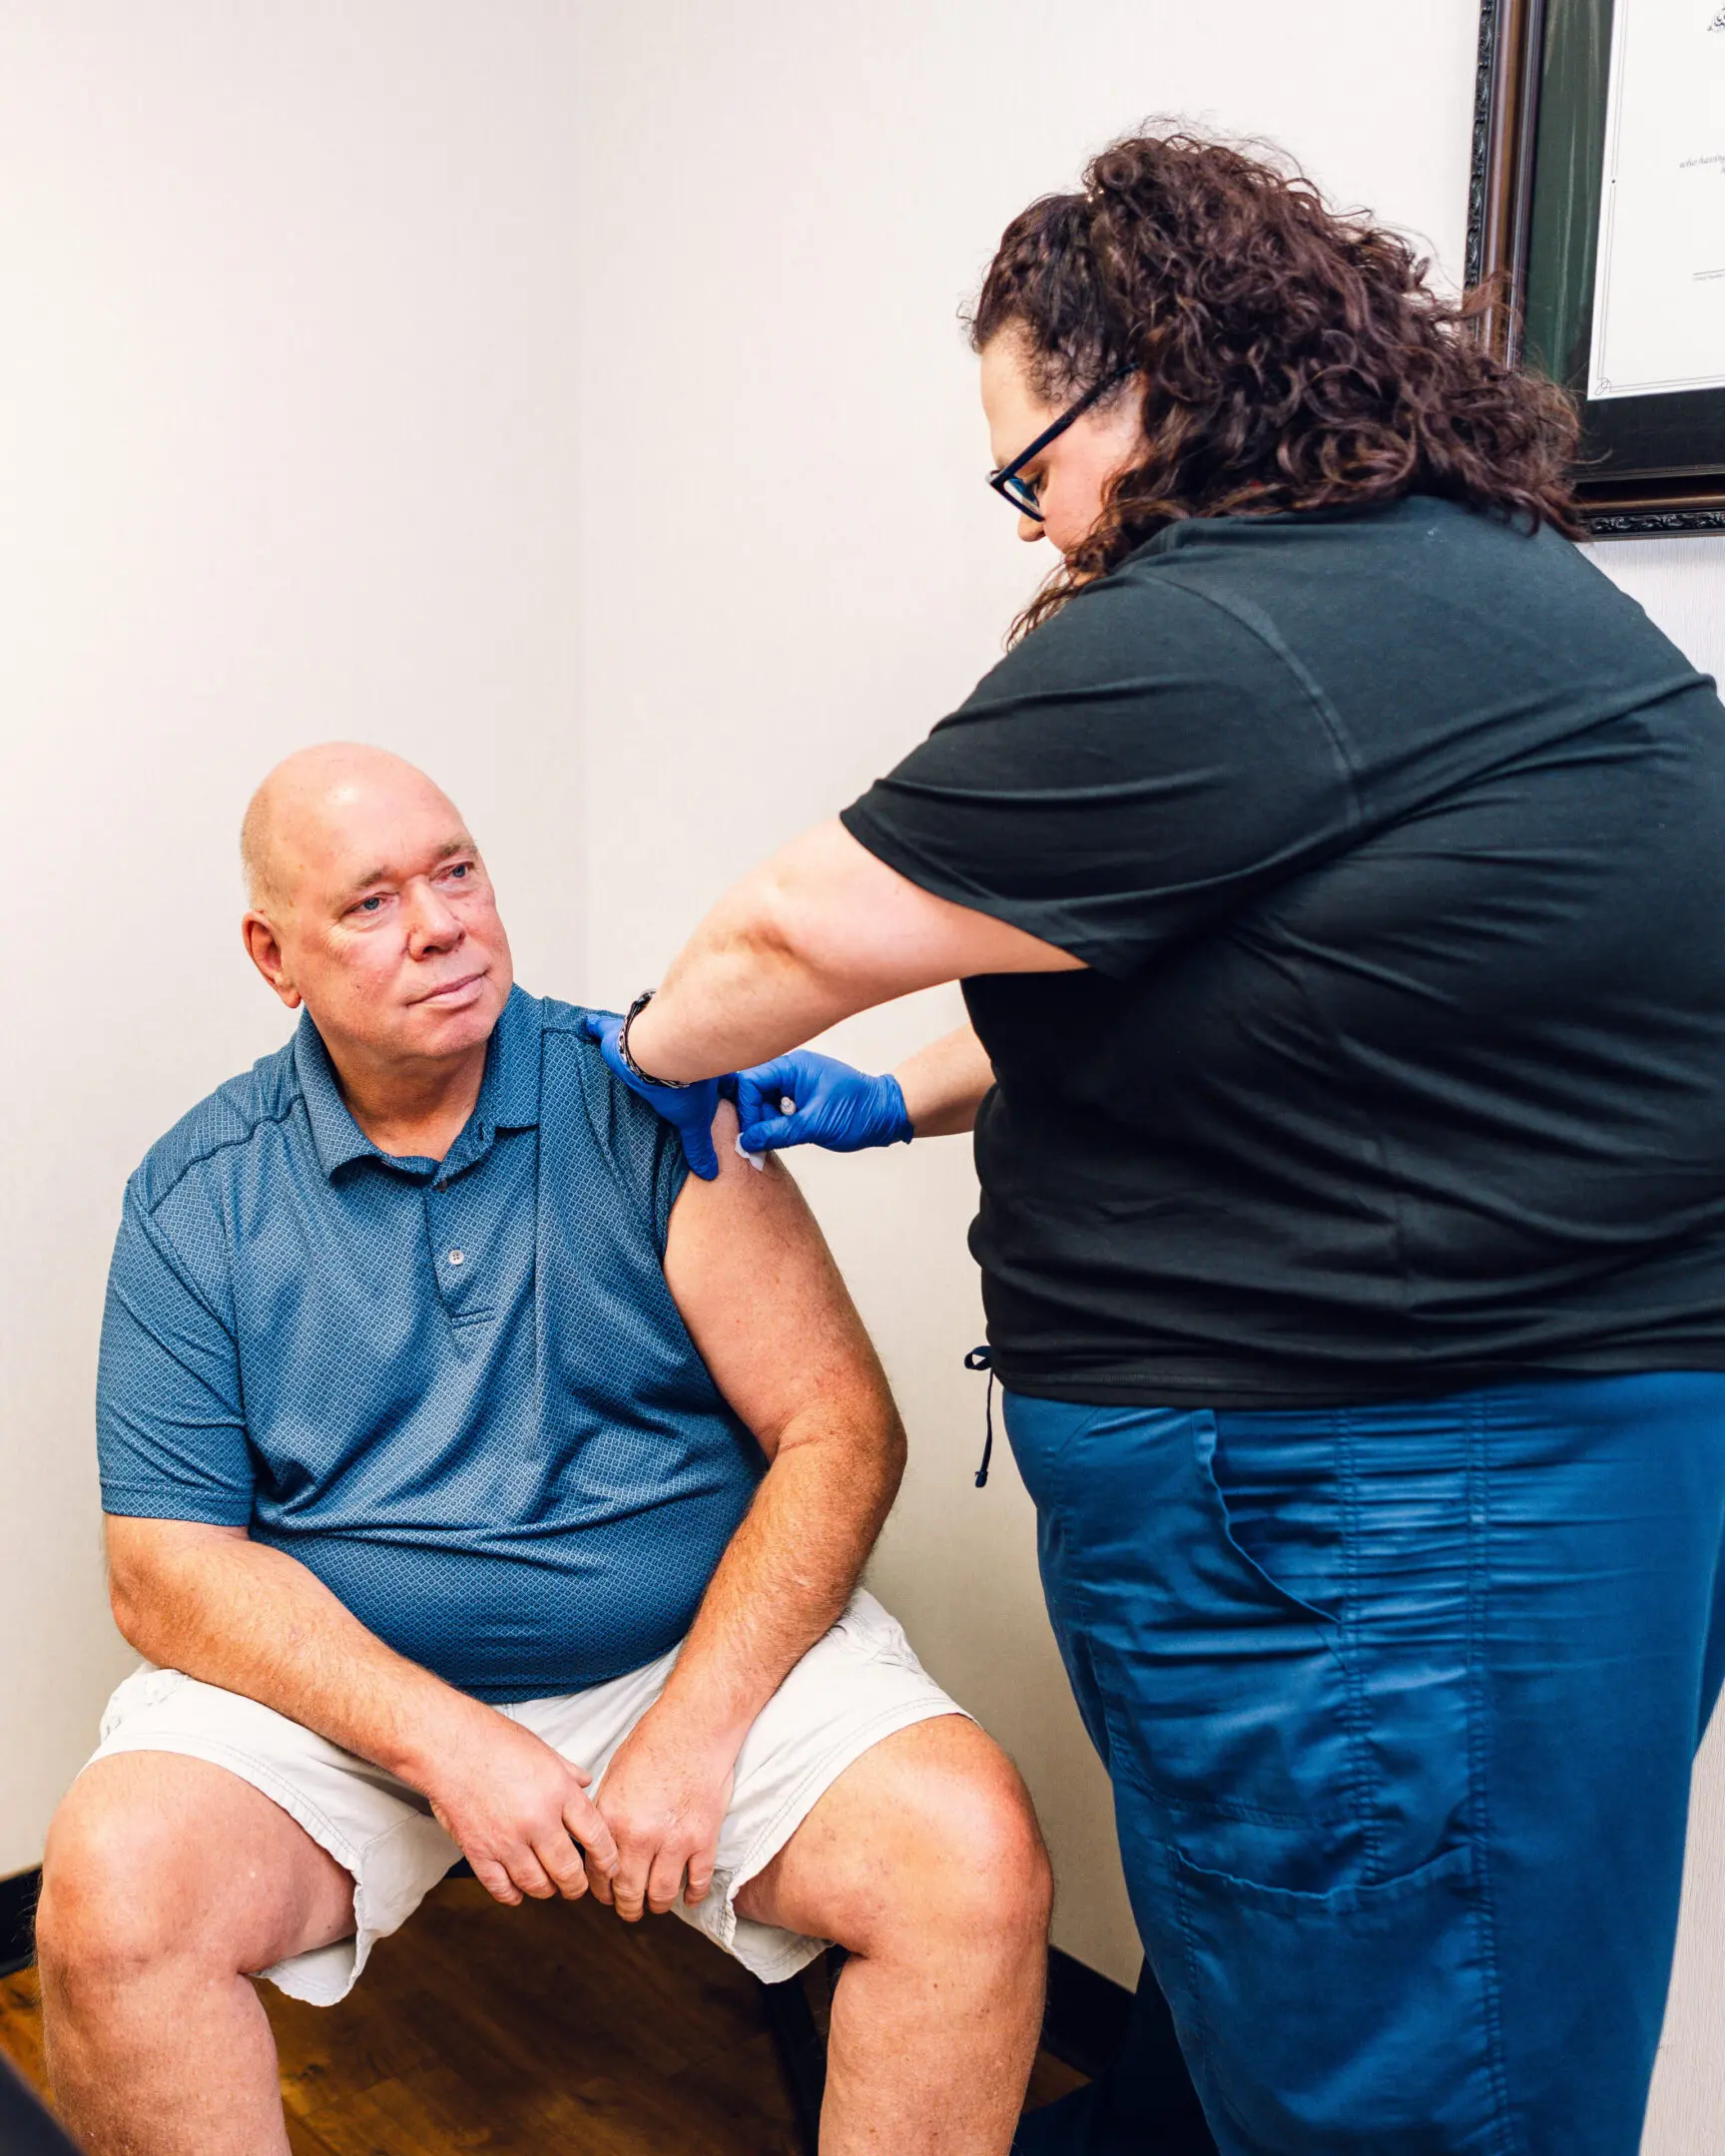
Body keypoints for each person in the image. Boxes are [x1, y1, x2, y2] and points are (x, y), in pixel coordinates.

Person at [583, 131, 1725, 2156]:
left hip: (1385, 1519)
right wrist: (906, 1088)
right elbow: (1289, 996)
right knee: (1328, 2006)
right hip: (1484, 1481)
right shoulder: (1479, 590)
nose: (1043, 532)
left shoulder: (1232, 625)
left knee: (1418, 2084)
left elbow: (770, 941)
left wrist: (650, 1046)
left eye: (1037, 467)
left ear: (1162, 383)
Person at [34, 744, 1052, 2156]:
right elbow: (163, 1567)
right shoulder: (198, 1194)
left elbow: (837, 1430)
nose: (444, 922)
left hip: (684, 1663)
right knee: (113, 1898)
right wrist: (444, 1740)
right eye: (375, 902)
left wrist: (694, 1729)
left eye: (457, 871)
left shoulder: (650, 1095)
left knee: (970, 1858)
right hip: (366, 1703)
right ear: (276, 957)